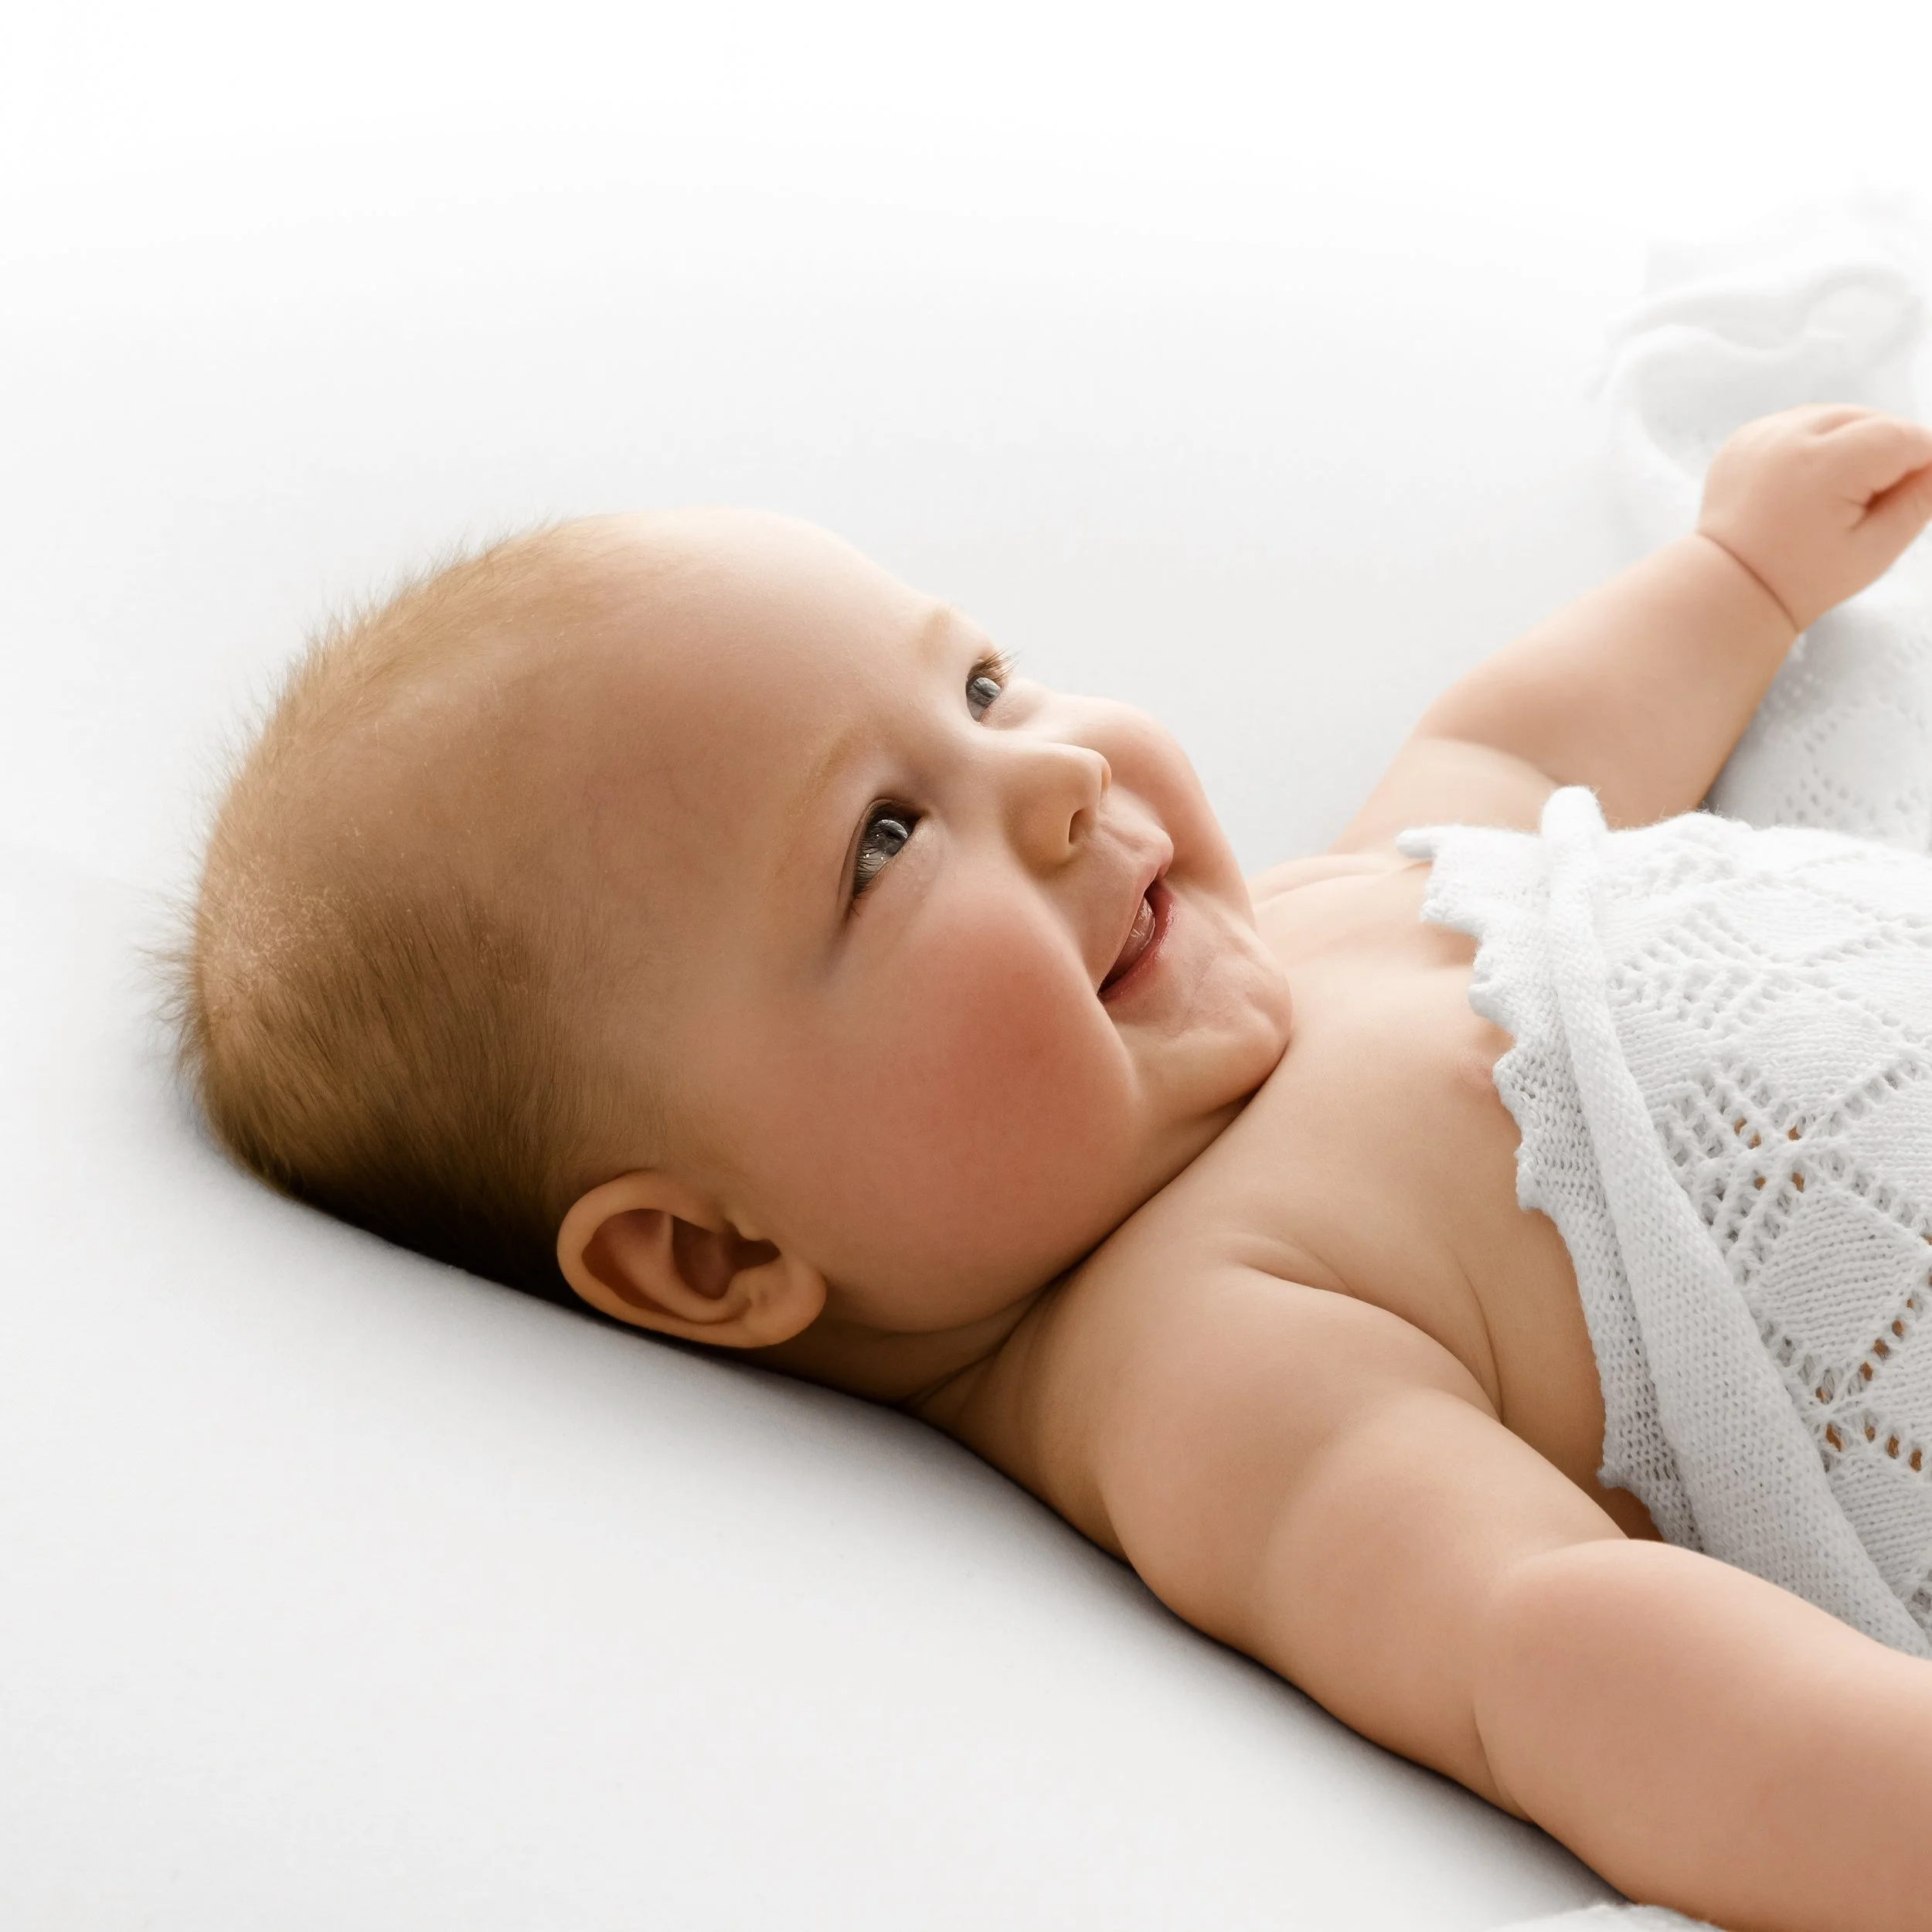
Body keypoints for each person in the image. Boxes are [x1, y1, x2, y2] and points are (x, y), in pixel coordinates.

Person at [181, 403, 1932, 1929]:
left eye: (981, 682)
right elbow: (1554, 1647)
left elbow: (1522, 755)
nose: (1062, 778)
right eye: (882, 836)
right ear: (710, 1256)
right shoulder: (1207, 1366)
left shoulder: (1302, 913)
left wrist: (1735, 578)